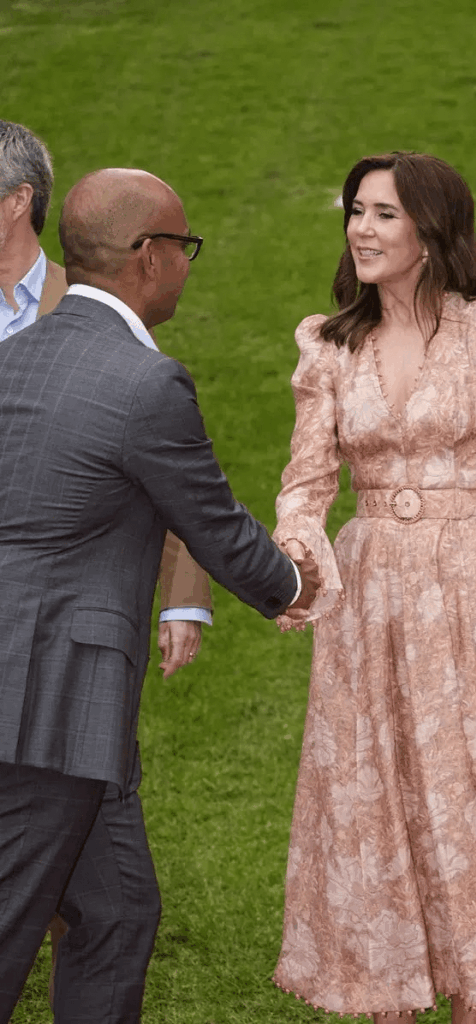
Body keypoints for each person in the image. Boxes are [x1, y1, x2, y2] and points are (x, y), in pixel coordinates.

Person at [271, 151, 476, 1024]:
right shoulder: (328, 341)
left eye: (384, 213)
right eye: (355, 211)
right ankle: (388, 994)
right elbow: (306, 484)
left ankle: (472, 998)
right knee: (376, 789)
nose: (361, 228)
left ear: (430, 229)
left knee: (471, 787)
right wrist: (299, 551)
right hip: (372, 592)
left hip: (469, 585)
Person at [0, 166, 320, 1024]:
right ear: (147, 257)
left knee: (116, 912)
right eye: (184, 246)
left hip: (59, 712)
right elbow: (211, 520)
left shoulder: (15, 356)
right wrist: (296, 582)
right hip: (45, 714)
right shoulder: (145, 385)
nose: (187, 263)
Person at [0, 119, 214, 1005]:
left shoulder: (81, 306)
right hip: (34, 681)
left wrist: (185, 598)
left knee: (115, 908)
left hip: (60, 677)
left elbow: (161, 465)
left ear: (17, 203)